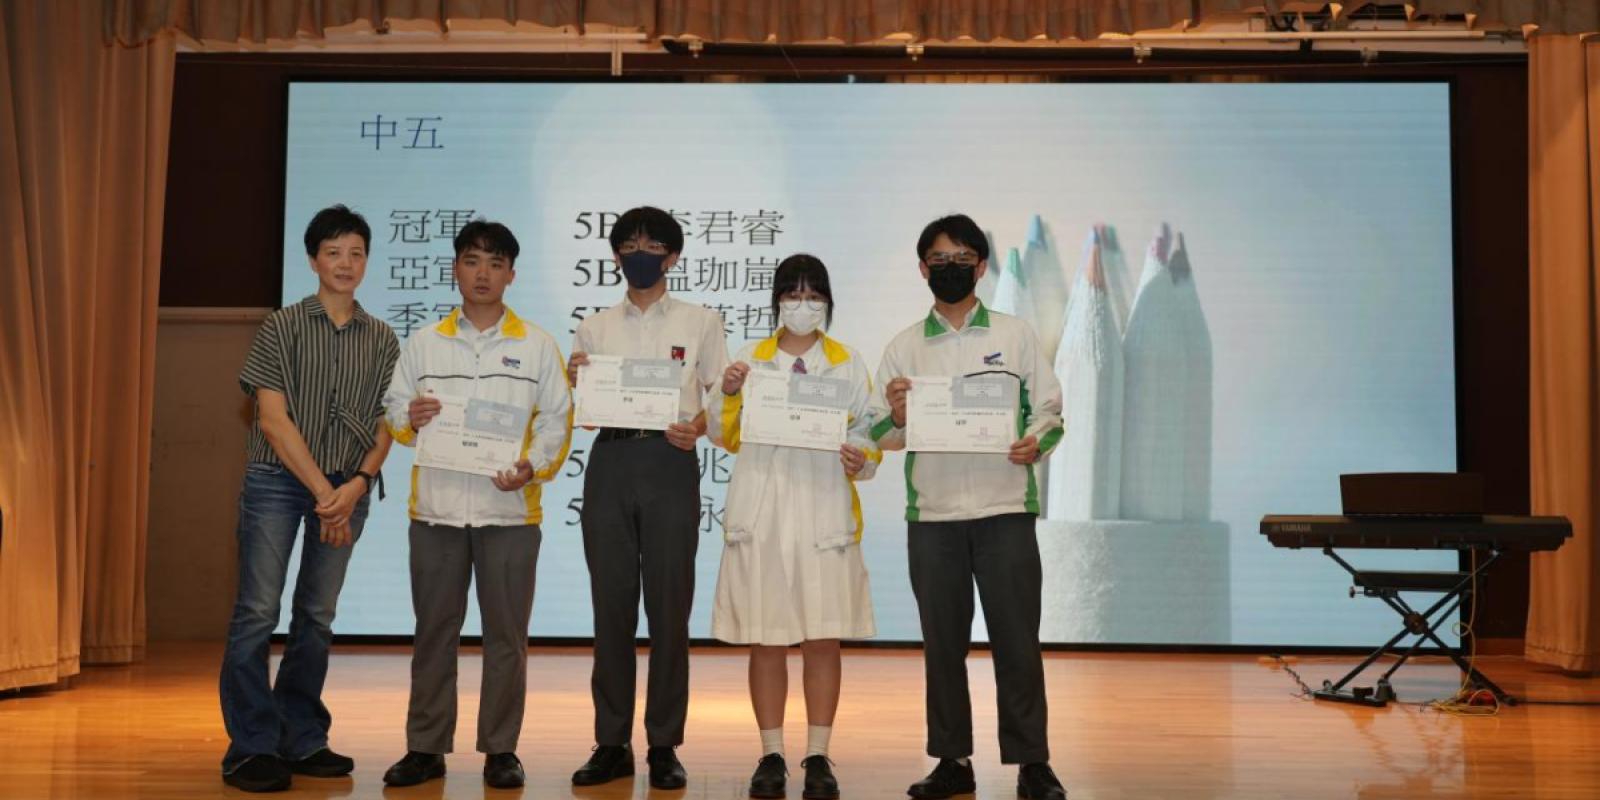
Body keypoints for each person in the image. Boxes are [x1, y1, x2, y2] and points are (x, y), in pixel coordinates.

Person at [868, 214, 1069, 800]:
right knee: (943, 646)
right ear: (922, 268)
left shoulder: (1015, 334)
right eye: (939, 259)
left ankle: (1032, 762)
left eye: (961, 259)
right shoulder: (904, 346)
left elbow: (1050, 412)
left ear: (981, 267)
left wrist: (1035, 442)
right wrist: (895, 415)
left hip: (1005, 511)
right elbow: (878, 433)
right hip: (933, 518)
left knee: (1017, 642)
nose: (950, 268)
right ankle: (952, 760)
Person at [378, 220, 573, 790]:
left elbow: (557, 421)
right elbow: (394, 410)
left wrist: (531, 466)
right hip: (436, 514)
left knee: (506, 638)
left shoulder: (537, 345)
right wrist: (409, 418)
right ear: (455, 269)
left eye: (494, 263)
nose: (482, 273)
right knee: (432, 634)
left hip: (509, 516)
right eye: (471, 261)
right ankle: (425, 747)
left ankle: (500, 749)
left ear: (511, 274)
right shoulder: (424, 342)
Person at [220, 204, 399, 793]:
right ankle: (251, 746)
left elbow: (388, 423)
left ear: (367, 261)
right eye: (333, 252)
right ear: (312, 260)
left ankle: (301, 737)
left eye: (356, 253)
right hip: (279, 481)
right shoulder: (282, 326)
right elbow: (272, 420)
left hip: (350, 486)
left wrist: (358, 484)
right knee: (257, 612)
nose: (345, 263)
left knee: (316, 617)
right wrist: (327, 494)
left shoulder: (383, 338)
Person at [567, 206, 729, 790]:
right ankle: (611, 742)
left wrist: (698, 426)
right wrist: (579, 383)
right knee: (610, 608)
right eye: (630, 245)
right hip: (610, 460)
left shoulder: (701, 320)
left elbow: (721, 395)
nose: (641, 254)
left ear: (672, 257)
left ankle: (664, 744)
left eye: (653, 246)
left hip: (669, 461)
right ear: (616, 256)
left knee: (669, 608)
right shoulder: (594, 327)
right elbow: (585, 414)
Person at [707, 254, 878, 800]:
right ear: (777, 300)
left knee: (822, 637)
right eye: (793, 293)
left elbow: (869, 429)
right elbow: (722, 434)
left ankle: (819, 755)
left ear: (828, 301)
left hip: (823, 511)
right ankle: (772, 754)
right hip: (764, 514)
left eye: (813, 295)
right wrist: (728, 392)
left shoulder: (847, 363)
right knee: (767, 638)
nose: (803, 305)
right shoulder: (748, 359)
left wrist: (862, 456)